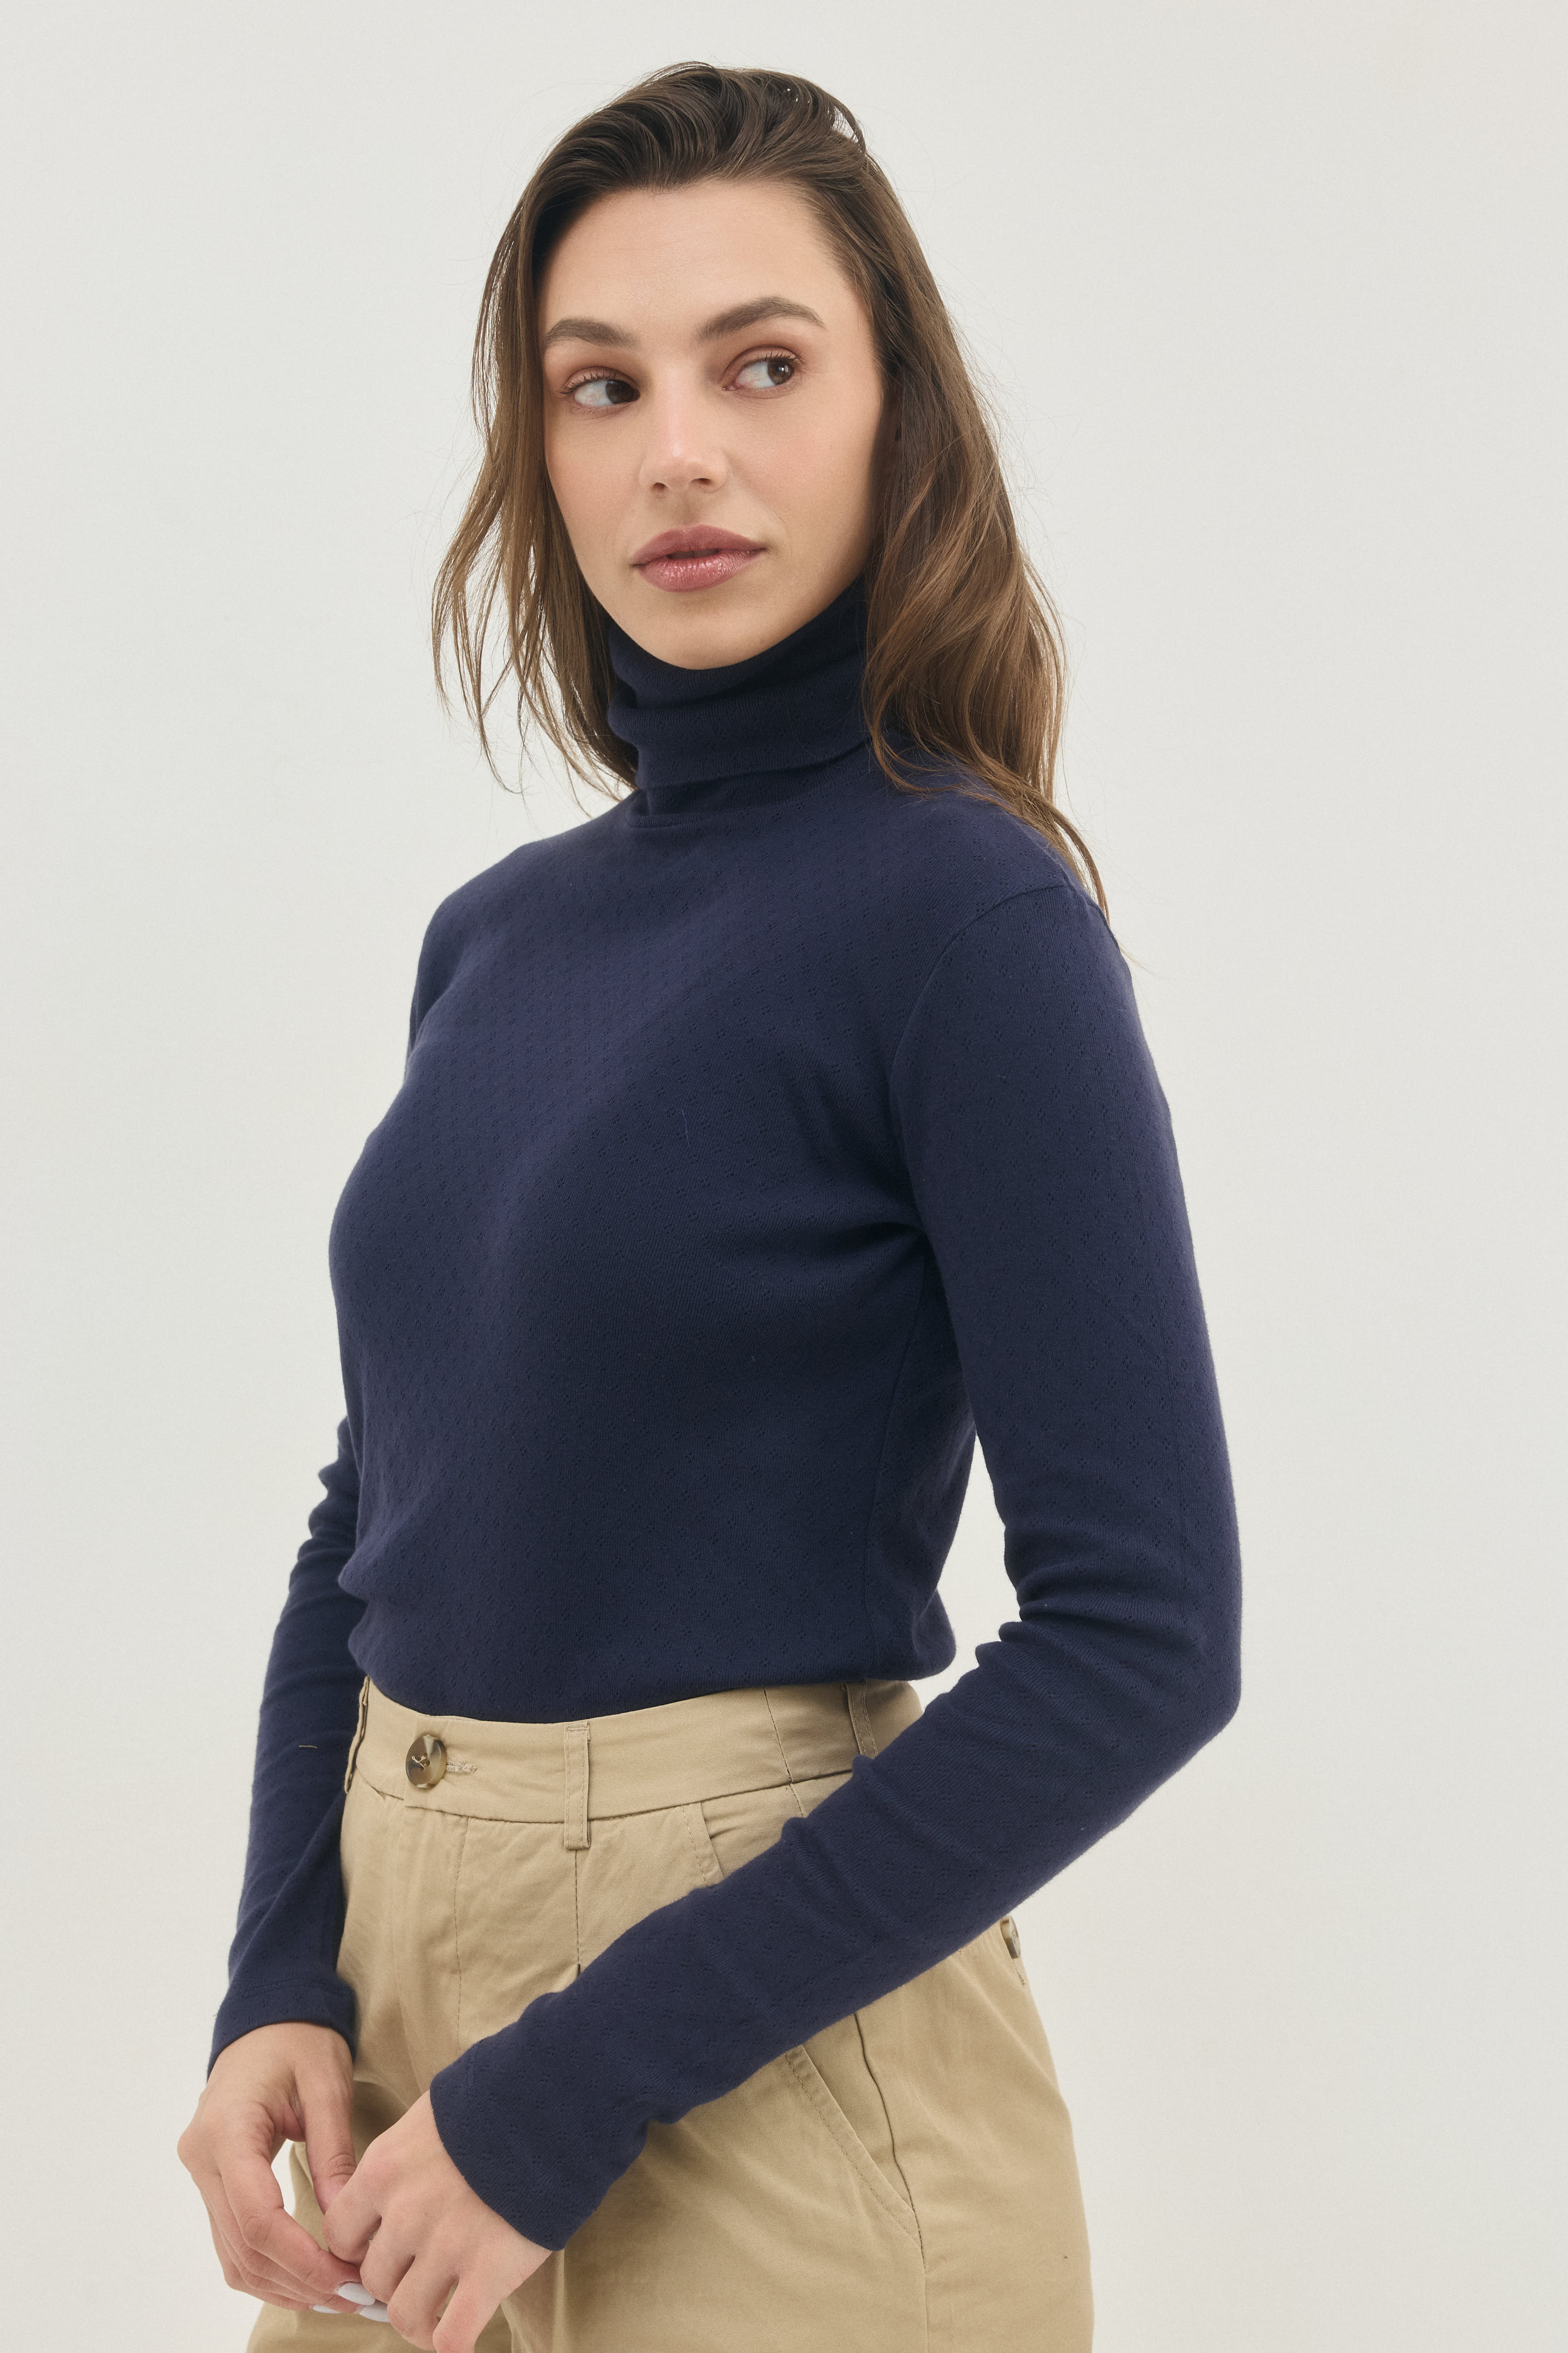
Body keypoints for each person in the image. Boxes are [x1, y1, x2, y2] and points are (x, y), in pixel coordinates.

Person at [178, 61, 1242, 2353]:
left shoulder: (969, 918)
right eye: (603, 386)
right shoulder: (493, 941)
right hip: (409, 2068)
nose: (677, 451)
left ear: (894, 415)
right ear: (539, 449)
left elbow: (1147, 1633)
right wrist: (283, 1967)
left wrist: (576, 2080)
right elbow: (381, 1502)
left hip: (774, 2068)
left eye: (761, 365)